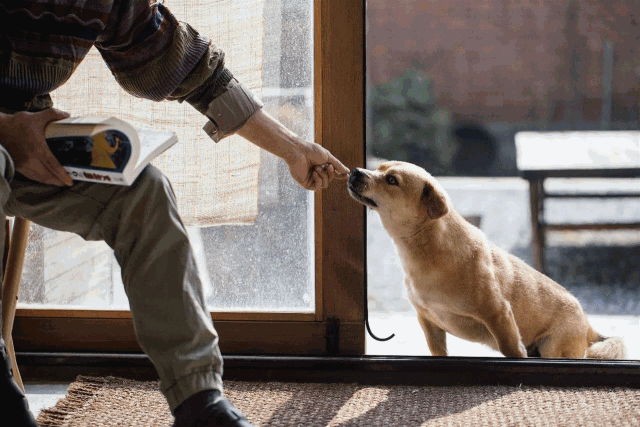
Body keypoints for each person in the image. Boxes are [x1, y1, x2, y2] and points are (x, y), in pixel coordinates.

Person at [0, 1, 349, 426]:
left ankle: (199, 402)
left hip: (26, 144)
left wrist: (293, 149)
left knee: (143, 190)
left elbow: (184, 66)